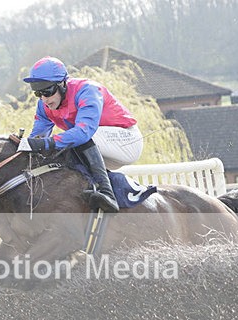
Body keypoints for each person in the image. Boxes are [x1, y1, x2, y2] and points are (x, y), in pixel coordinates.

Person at [18, 56, 144, 213]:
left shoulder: (87, 90)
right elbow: (38, 139)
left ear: (62, 84)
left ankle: (107, 193)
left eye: (47, 91)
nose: (44, 99)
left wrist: (45, 144)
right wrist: (22, 146)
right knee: (61, 151)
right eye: (38, 94)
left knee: (76, 138)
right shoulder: (44, 107)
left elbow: (83, 132)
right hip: (97, 150)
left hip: (127, 141)